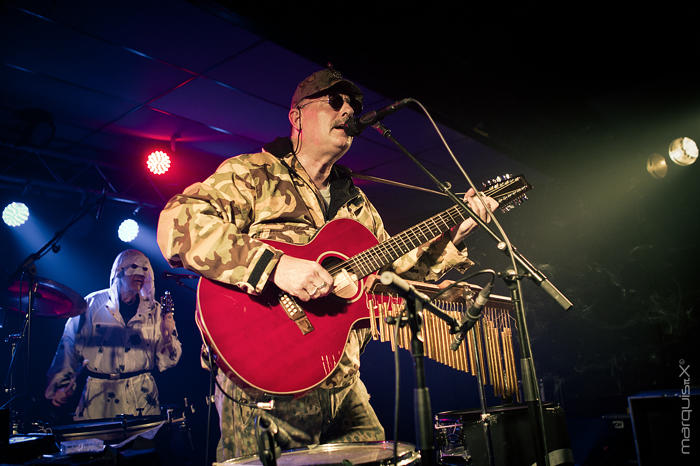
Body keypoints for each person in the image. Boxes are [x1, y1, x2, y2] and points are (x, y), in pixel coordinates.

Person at [156, 68, 497, 460]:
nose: (348, 110)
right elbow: (176, 226)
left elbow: (391, 281)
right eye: (335, 102)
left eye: (353, 104)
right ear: (297, 116)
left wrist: (453, 236)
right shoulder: (253, 174)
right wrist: (275, 266)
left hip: (341, 380)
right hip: (263, 382)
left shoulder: (358, 206)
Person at [45, 249, 182, 420]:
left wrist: (167, 336)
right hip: (99, 399)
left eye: (145, 269)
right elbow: (68, 345)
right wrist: (60, 385)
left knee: (142, 445)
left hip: (142, 398)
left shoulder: (155, 311)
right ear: (119, 271)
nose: (140, 273)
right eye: (133, 267)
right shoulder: (92, 305)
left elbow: (168, 362)